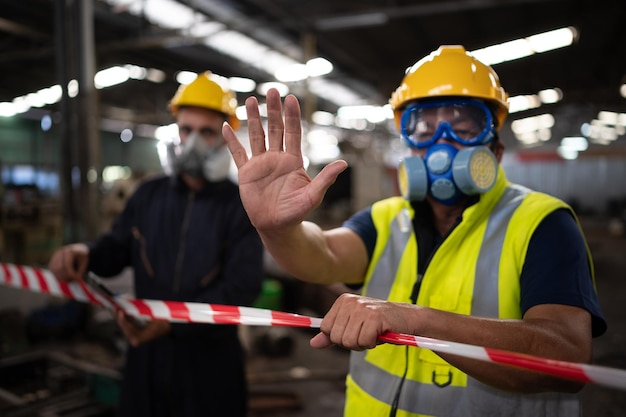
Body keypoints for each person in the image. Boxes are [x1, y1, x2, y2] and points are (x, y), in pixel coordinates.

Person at [222, 46, 607, 417]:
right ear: (407, 142)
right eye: (422, 127)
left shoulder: (542, 223)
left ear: (497, 149)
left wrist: (415, 319)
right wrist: (278, 229)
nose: (442, 144)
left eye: (464, 126)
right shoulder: (387, 217)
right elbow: (320, 256)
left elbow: (567, 356)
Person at [48, 72, 264, 417]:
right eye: (186, 129)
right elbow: (117, 248)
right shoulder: (148, 195)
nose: (193, 142)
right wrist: (86, 253)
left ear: (227, 138)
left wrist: (173, 322)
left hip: (208, 365)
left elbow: (243, 286)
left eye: (207, 132)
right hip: (145, 358)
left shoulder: (241, 206)